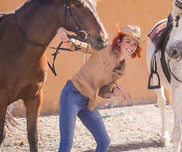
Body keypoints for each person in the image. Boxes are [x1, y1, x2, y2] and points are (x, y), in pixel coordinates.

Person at [57, 24, 142, 152]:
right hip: (71, 95)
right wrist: (63, 32)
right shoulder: (104, 48)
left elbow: (103, 91)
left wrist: (112, 92)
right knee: (66, 145)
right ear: (119, 41)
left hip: (88, 102)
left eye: (134, 44)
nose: (131, 46)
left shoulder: (121, 68)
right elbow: (84, 46)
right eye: (128, 41)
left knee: (104, 141)